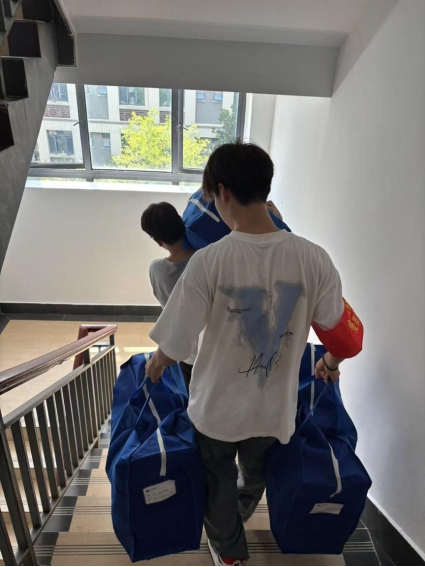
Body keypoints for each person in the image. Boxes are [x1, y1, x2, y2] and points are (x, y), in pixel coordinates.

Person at [146, 142, 359, 566]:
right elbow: (344, 338)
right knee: (255, 471)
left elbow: (174, 345)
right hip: (273, 407)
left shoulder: (208, 261)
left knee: (216, 475)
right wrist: (328, 364)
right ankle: (241, 511)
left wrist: (153, 367)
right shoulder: (315, 258)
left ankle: (230, 552)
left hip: (216, 408)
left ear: (223, 192)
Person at [141, 202, 195, 391]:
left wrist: (158, 362)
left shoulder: (157, 270)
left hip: (188, 354)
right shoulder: (206, 258)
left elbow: (173, 317)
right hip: (217, 350)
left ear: (158, 241)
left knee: (194, 401)